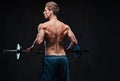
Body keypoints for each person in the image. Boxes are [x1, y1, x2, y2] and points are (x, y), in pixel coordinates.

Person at [27, 1, 78, 81]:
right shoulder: (65, 27)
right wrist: (68, 49)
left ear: (51, 12)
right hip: (63, 59)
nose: (43, 12)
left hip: (50, 59)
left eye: (45, 10)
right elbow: (74, 41)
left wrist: (31, 49)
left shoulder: (43, 26)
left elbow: (39, 41)